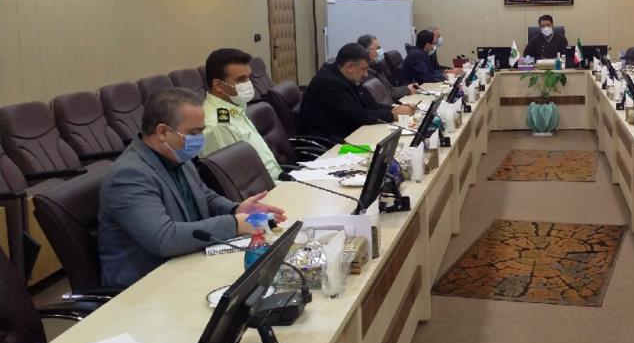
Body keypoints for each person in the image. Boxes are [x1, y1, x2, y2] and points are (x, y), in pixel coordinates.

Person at [97, 88, 286, 288]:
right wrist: (234, 224)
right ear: (163, 132)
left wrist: (235, 209)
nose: (200, 139)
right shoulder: (129, 175)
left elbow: (205, 196)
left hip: (188, 262)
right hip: (147, 285)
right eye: (194, 133)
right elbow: (164, 238)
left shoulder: (177, 156)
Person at [301, 43, 414, 142]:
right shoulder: (328, 83)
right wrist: (393, 115)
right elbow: (357, 116)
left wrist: (395, 109)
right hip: (331, 143)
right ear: (350, 66)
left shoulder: (348, 76)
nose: (366, 74)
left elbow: (370, 104)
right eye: (363, 69)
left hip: (350, 134)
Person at [200, 48, 282, 180]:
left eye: (249, 77)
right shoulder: (218, 125)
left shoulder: (234, 106)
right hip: (266, 190)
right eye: (241, 79)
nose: (248, 84)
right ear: (219, 85)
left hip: (277, 180)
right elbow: (235, 181)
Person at [358, 34, 418, 102]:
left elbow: (390, 89)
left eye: (380, 48)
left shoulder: (376, 66)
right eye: (378, 48)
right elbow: (388, 94)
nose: (380, 51)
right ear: (366, 51)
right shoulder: (366, 73)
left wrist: (408, 88)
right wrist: (408, 89)